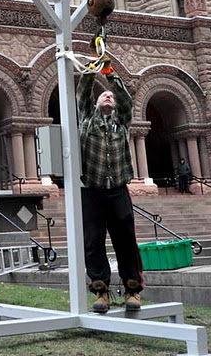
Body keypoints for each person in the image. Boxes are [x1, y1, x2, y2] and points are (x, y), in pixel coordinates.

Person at [77, 66, 143, 314]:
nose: (108, 95)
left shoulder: (122, 121)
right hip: (91, 190)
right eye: (103, 94)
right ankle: (101, 290)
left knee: (126, 240)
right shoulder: (86, 118)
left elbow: (126, 101)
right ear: (94, 103)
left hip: (117, 189)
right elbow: (82, 93)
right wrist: (90, 71)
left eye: (111, 96)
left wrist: (110, 74)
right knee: (93, 241)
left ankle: (132, 290)